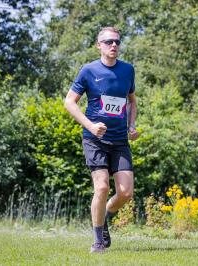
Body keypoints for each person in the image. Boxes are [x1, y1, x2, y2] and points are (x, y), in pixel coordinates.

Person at [64, 26, 138, 253]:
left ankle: (103, 217)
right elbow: (69, 102)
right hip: (94, 139)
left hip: (119, 140)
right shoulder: (88, 70)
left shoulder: (128, 70)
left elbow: (132, 101)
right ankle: (97, 240)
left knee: (126, 192)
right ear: (99, 45)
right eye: (108, 42)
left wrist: (132, 125)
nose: (113, 45)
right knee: (102, 187)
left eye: (117, 41)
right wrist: (91, 126)